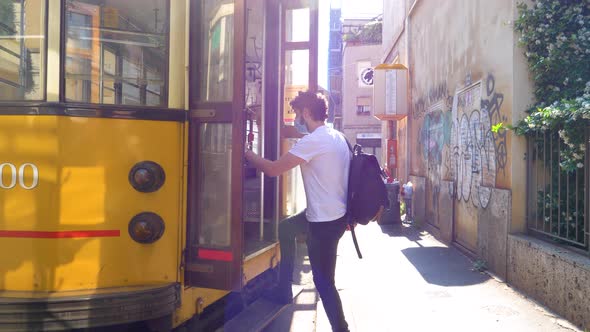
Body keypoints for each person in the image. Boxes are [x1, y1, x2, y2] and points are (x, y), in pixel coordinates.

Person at [244, 91, 350, 332]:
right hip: (335, 215)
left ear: (306, 113)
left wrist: (248, 154)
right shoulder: (334, 135)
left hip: (322, 223)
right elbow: (293, 133)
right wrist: (267, 122)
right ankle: (283, 288)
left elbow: (272, 170)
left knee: (324, 283)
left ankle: (341, 329)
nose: (296, 119)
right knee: (287, 227)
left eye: (297, 114)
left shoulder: (314, 141)